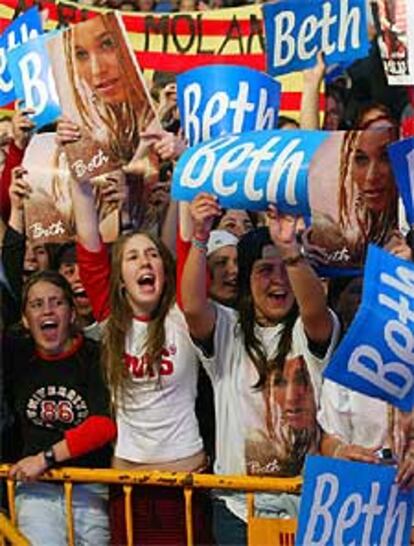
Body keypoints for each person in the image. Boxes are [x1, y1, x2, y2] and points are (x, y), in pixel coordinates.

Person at [181, 193, 340, 544]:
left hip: (305, 503)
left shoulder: (305, 329)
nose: (278, 280)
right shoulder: (228, 329)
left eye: (284, 270)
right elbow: (192, 307)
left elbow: (314, 308)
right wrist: (198, 238)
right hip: (239, 508)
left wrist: (290, 252)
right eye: (265, 270)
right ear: (246, 279)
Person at [69, 178, 210, 545]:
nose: (145, 261)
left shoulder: (182, 314)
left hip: (185, 485)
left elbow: (183, 239)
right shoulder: (110, 321)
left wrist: (185, 171)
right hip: (128, 490)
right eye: (132, 256)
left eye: (151, 255)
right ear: (121, 281)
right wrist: (78, 168)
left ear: (164, 272)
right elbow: (89, 247)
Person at [3, 270, 116, 546]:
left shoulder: (94, 355)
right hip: (35, 492)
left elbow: (103, 425)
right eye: (36, 304)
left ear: (72, 314)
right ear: (25, 320)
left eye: (57, 302)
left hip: (90, 487)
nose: (47, 311)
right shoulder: (16, 355)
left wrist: (45, 458)